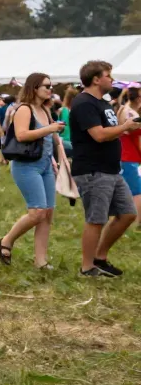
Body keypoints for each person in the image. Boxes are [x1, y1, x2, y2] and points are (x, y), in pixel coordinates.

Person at [69, 61, 139, 277]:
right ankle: (87, 267)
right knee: (96, 219)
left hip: (110, 169)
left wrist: (126, 128)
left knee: (127, 214)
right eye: (108, 75)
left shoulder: (104, 103)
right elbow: (98, 135)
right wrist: (125, 127)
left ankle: (100, 258)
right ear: (96, 79)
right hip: (93, 170)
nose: (112, 79)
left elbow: (110, 131)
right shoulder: (84, 103)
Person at [0, 73, 66, 269]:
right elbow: (22, 135)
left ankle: (41, 261)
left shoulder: (44, 109)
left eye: (51, 86)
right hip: (27, 165)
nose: (50, 89)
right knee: (36, 212)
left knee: (48, 213)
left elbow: (47, 139)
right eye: (46, 86)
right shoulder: (24, 109)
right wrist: (50, 129)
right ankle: (6, 241)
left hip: (45, 165)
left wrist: (54, 157)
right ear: (34, 88)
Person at [117, 87, 141, 221]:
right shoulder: (132, 115)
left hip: (124, 154)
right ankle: (137, 222)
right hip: (128, 155)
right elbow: (136, 138)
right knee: (137, 191)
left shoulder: (124, 109)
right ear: (138, 99)